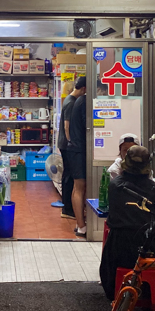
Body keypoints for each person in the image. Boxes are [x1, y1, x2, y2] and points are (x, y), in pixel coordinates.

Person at [99, 145, 155, 299]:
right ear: (148, 166)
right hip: (151, 247)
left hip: (119, 249)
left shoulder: (114, 186)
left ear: (125, 163)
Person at [58, 76, 87, 219]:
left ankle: (68, 207)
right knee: (69, 177)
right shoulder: (71, 102)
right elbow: (67, 126)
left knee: (68, 175)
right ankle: (68, 209)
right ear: (84, 89)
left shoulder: (70, 100)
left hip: (67, 144)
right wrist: (72, 143)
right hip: (68, 145)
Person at [65, 77, 88, 236]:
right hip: (78, 149)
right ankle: (81, 226)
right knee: (79, 187)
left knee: (77, 187)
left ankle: (80, 225)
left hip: (74, 149)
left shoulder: (76, 101)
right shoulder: (82, 102)